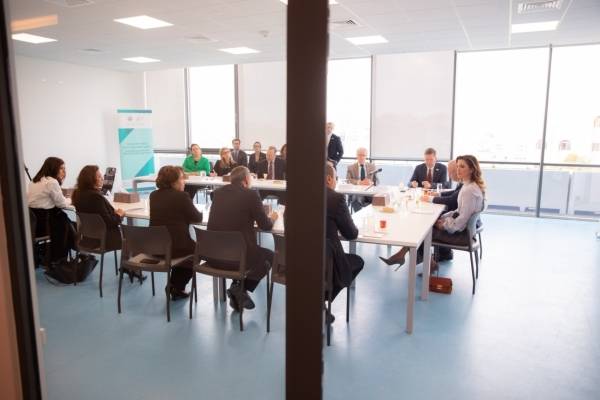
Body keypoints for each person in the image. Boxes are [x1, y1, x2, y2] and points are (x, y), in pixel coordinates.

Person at [380, 155, 486, 273]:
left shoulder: (469, 190)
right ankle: (420, 261)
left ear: (471, 169)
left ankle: (423, 263)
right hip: (464, 231)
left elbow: (460, 221)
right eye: (457, 166)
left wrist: (443, 225)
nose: (458, 170)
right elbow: (458, 212)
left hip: (463, 236)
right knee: (422, 227)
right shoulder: (469, 186)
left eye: (462, 166)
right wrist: (443, 219)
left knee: (420, 232)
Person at [207, 166, 278, 311]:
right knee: (270, 257)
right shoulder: (251, 195)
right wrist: (273, 217)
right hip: (237, 258)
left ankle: (238, 289)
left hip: (213, 255)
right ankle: (240, 288)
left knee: (243, 250)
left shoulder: (217, 193)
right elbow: (265, 226)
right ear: (246, 180)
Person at [149, 166, 203, 300]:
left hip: (156, 247)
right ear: (174, 182)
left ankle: (175, 286)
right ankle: (176, 285)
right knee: (198, 252)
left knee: (185, 251)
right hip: (175, 247)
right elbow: (197, 217)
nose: (184, 181)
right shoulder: (181, 196)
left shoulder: (153, 195)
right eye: (182, 179)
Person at [325, 162, 364, 321]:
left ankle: (316, 302)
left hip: (298, 262)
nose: (336, 181)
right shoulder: (336, 199)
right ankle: (320, 301)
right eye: (336, 178)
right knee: (357, 261)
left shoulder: (295, 195)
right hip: (326, 262)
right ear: (329, 179)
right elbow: (351, 234)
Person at [27, 157, 75, 263]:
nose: (64, 171)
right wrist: (70, 199)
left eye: (64, 168)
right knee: (67, 223)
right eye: (61, 168)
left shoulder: (33, 181)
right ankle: (61, 259)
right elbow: (62, 204)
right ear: (53, 168)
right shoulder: (51, 182)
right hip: (46, 223)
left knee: (66, 221)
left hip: (34, 224)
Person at [346, 147, 378, 212]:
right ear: (356, 156)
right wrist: (359, 182)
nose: (362, 157)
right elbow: (348, 180)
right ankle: (359, 216)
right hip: (357, 193)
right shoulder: (351, 167)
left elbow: (377, 181)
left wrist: (372, 182)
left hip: (369, 192)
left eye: (363, 155)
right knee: (355, 200)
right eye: (360, 155)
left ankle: (371, 215)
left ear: (366, 156)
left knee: (378, 199)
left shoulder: (372, 166)